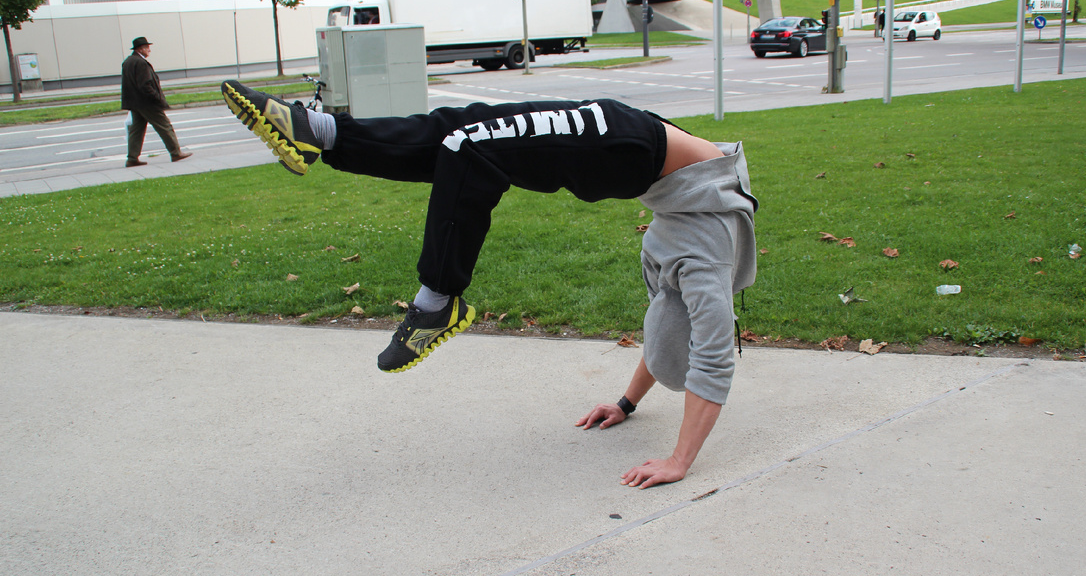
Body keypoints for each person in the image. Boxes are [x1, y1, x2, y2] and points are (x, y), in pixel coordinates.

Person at [220, 81, 758, 488]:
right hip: (637, 151)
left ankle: (322, 133)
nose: (655, 327)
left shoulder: (679, 274)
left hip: (650, 154)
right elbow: (712, 363)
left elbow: (663, 341)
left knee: (469, 135)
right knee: (474, 146)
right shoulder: (702, 269)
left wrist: (625, 403)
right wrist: (678, 461)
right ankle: (437, 302)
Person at [121, 37, 190, 167]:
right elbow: (145, 85)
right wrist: (156, 97)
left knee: (136, 131)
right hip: (147, 103)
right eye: (147, 47)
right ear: (140, 49)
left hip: (135, 103)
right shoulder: (141, 63)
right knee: (165, 126)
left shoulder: (128, 61)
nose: (149, 50)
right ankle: (175, 152)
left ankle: (132, 158)